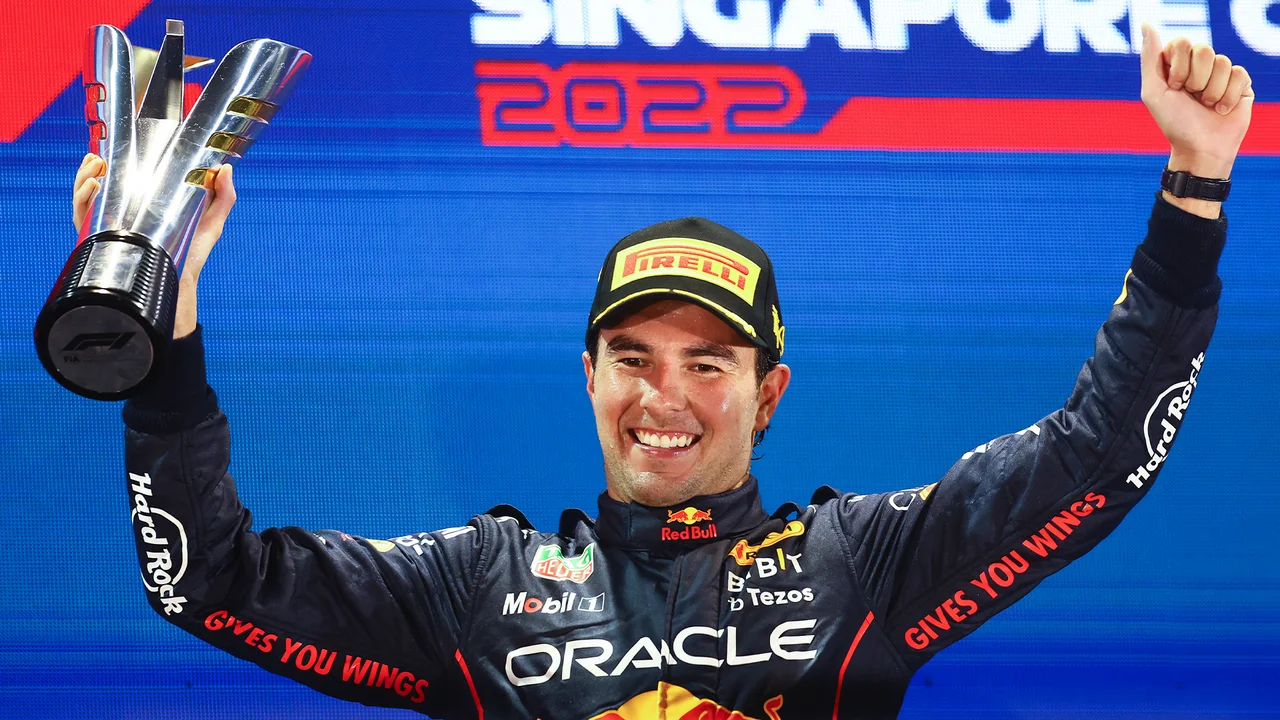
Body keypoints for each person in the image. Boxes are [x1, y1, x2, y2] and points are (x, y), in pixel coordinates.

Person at [81, 27, 1252, 719]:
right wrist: (164, 317)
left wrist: (1191, 187)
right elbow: (207, 582)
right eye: (632, 358)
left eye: (708, 362)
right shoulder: (476, 585)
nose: (663, 397)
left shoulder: (864, 563)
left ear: (767, 392)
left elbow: (1100, 456)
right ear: (588, 377)